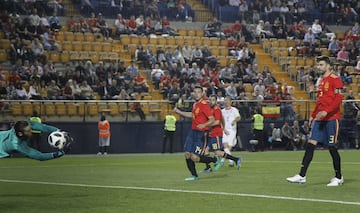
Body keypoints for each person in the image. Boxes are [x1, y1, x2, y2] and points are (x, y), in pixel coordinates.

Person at [286, 55, 345, 186]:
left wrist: (327, 111)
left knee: (332, 147)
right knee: (310, 144)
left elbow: (338, 99)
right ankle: (302, 175)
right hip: (320, 118)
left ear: (328, 66)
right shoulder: (321, 81)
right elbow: (320, 101)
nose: (319, 67)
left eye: (321, 65)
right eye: (318, 65)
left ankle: (338, 177)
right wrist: (313, 114)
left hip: (331, 118)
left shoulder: (335, 80)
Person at [174, 86, 220, 181]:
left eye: (199, 92)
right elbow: (192, 115)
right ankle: (194, 176)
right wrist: (179, 112)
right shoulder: (195, 104)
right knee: (187, 154)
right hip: (193, 132)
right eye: (195, 92)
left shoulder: (204, 105)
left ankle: (214, 160)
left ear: (202, 93)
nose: (197, 94)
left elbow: (212, 119)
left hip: (202, 134)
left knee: (195, 157)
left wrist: (204, 124)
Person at [203, 95, 241, 172]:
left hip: (218, 133)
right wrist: (223, 128)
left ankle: (233, 160)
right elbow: (222, 120)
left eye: (213, 100)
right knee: (206, 151)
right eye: (210, 100)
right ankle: (209, 168)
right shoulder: (217, 110)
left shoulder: (217, 109)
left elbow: (217, 121)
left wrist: (205, 125)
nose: (211, 101)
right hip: (216, 132)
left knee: (219, 151)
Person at [0, 120, 69, 160]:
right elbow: (39, 156)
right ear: (20, 134)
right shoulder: (17, 145)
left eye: (30, 129)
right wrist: (60, 153)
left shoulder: (25, 125)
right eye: (28, 131)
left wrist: (59, 130)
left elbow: (43, 127)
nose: (31, 131)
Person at [221, 96, 241, 166]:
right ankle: (231, 160)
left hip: (232, 130)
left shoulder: (234, 110)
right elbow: (220, 121)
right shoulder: (222, 111)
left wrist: (234, 120)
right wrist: (223, 128)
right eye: (225, 100)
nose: (226, 102)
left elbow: (238, 117)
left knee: (229, 146)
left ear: (230, 102)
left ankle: (224, 160)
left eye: (227, 100)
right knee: (225, 145)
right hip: (224, 130)